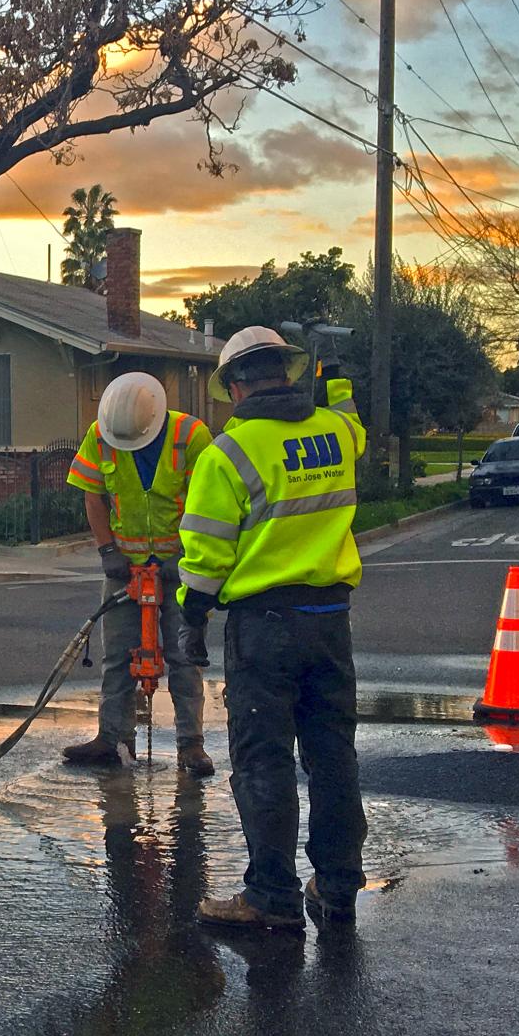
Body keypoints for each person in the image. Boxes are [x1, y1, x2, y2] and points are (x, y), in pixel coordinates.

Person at [176, 327, 367, 932]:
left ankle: (271, 896)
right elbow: (354, 426)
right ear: (286, 372)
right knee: (333, 755)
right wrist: (337, 377)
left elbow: (205, 558)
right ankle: (337, 887)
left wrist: (191, 619)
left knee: (264, 761)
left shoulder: (227, 454)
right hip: (330, 619)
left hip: (264, 627)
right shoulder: (334, 432)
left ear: (233, 386)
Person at [62, 371, 214, 776]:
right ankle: (112, 740)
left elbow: (209, 502)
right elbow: (92, 494)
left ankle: (191, 746)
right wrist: (107, 549)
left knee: (183, 657)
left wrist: (183, 556)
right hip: (124, 567)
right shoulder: (101, 434)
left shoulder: (191, 435)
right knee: (118, 656)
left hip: (178, 567)